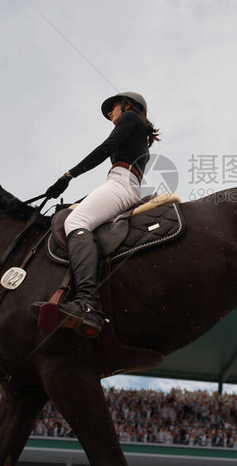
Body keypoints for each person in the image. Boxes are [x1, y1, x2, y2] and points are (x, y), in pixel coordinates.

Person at [38, 92, 160, 338]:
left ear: (128, 105)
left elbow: (106, 148)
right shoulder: (137, 129)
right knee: (70, 212)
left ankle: (87, 302)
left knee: (76, 221)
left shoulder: (131, 118)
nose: (109, 113)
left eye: (112, 107)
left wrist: (68, 175)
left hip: (121, 183)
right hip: (120, 182)